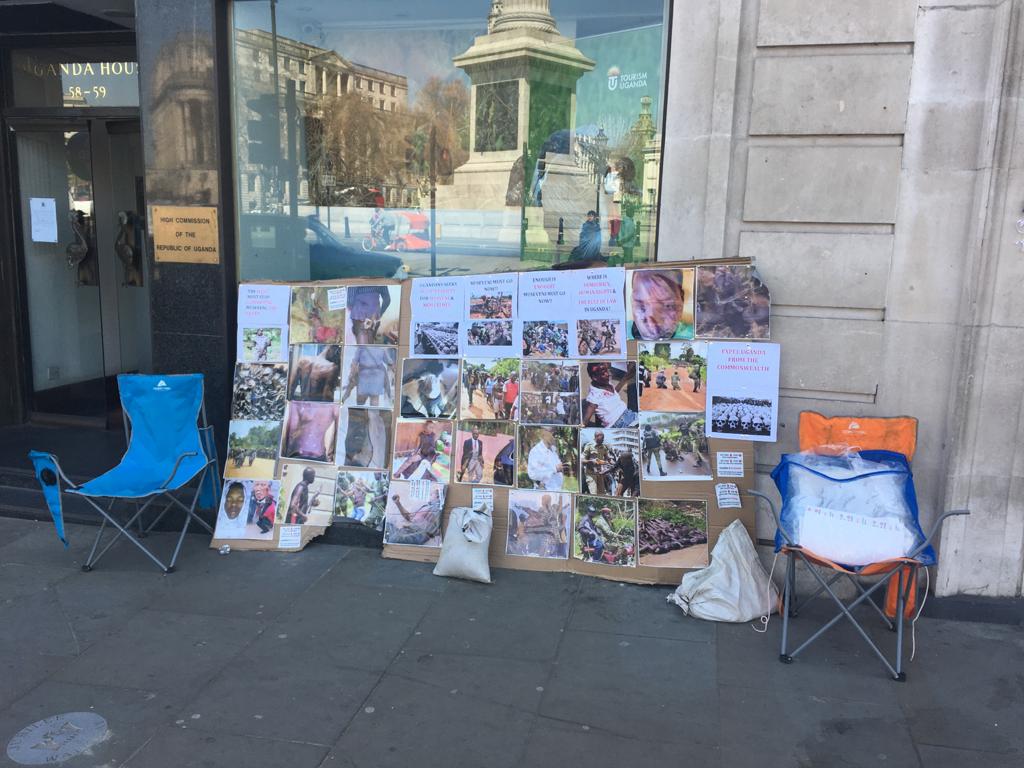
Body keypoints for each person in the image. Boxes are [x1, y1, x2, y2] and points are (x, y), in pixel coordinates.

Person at [630, 269, 692, 340]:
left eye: (668, 306)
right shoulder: (620, 333)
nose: (652, 325)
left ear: (682, 298)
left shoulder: (695, 338)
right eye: (641, 306)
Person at [582, 362, 637, 428]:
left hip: (629, 414)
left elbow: (612, 394)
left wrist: (626, 377)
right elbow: (585, 421)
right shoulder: (594, 396)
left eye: (606, 370)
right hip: (620, 424)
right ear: (595, 378)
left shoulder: (605, 382)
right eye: (603, 373)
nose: (607, 374)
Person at [581, 431, 616, 495]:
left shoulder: (604, 447)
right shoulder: (589, 446)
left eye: (603, 439)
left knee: (602, 493)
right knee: (593, 493)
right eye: (601, 439)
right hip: (591, 474)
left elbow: (608, 459)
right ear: (596, 437)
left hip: (600, 473)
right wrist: (591, 461)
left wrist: (615, 464)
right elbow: (582, 460)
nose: (602, 441)